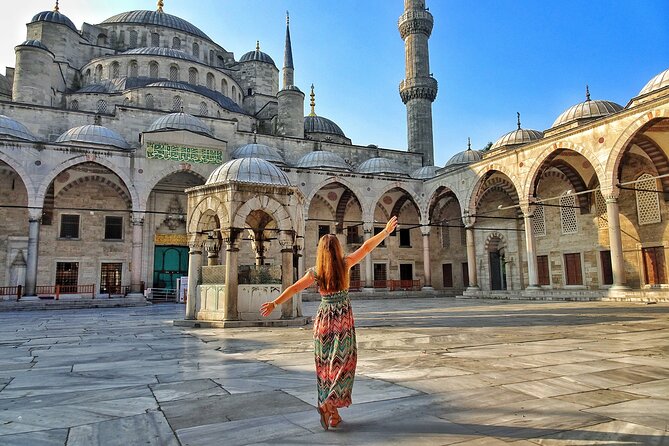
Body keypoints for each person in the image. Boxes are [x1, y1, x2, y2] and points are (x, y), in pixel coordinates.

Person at [260, 216, 398, 430]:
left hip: (324, 320)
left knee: (326, 367)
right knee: (344, 364)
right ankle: (327, 405)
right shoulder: (346, 264)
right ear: (337, 249)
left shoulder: (315, 273)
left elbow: (295, 288)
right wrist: (386, 231)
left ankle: (333, 415)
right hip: (342, 320)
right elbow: (367, 246)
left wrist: (275, 303)